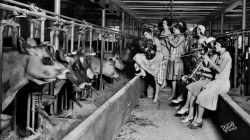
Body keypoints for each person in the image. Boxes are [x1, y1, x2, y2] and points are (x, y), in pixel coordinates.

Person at [189, 37, 232, 129]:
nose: (215, 46)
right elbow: (214, 70)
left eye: (217, 45)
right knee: (200, 94)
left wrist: (209, 60)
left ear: (222, 47)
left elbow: (219, 70)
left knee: (201, 95)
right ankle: (198, 119)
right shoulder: (220, 54)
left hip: (222, 83)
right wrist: (203, 69)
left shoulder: (226, 56)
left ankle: (198, 120)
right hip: (216, 81)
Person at [176, 37, 217, 118]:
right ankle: (185, 106)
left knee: (190, 86)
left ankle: (186, 108)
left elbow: (213, 73)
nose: (206, 48)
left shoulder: (215, 56)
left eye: (208, 46)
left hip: (209, 79)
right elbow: (206, 68)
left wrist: (202, 69)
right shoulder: (209, 55)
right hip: (204, 76)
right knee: (186, 81)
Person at [133, 28, 166, 103]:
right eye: (144, 35)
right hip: (150, 57)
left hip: (157, 58)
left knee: (156, 78)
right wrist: (145, 48)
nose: (145, 36)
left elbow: (159, 49)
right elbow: (145, 51)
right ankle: (142, 72)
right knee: (137, 56)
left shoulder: (155, 39)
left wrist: (152, 46)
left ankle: (156, 96)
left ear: (151, 33)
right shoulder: (145, 41)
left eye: (146, 34)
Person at [165, 23, 185, 100]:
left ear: (179, 29)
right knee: (173, 79)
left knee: (178, 79)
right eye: (173, 30)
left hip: (178, 60)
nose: (173, 31)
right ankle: (173, 94)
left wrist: (169, 39)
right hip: (172, 59)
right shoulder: (174, 37)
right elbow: (170, 48)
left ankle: (179, 96)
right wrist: (167, 41)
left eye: (174, 29)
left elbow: (176, 45)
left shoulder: (182, 37)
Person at [159, 17, 172, 89]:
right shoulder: (162, 32)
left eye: (165, 23)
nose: (163, 24)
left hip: (166, 51)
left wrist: (161, 42)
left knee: (165, 68)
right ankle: (162, 82)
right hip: (161, 50)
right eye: (163, 23)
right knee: (161, 67)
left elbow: (169, 45)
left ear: (168, 25)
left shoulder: (168, 32)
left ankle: (164, 82)